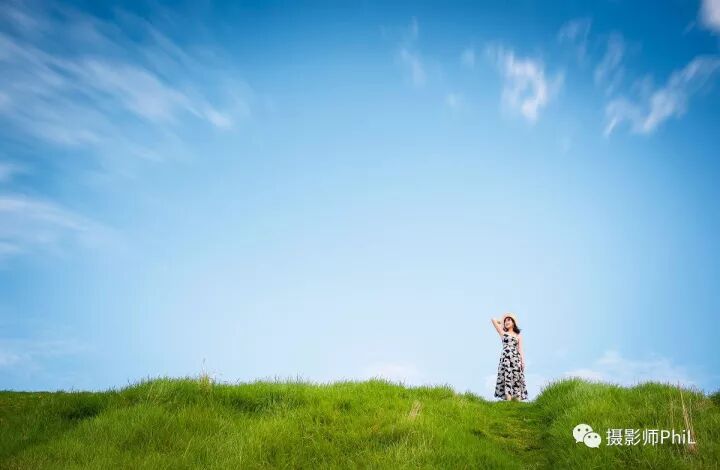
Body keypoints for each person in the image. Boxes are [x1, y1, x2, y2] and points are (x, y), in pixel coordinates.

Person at [491, 313, 528, 401]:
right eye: (505, 321)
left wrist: (522, 362)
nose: (506, 322)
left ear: (513, 322)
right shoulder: (503, 333)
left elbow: (520, 349)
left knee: (517, 378)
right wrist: (502, 321)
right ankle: (508, 400)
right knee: (506, 377)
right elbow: (493, 319)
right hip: (506, 359)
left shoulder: (518, 335)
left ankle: (517, 400)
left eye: (509, 320)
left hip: (516, 359)